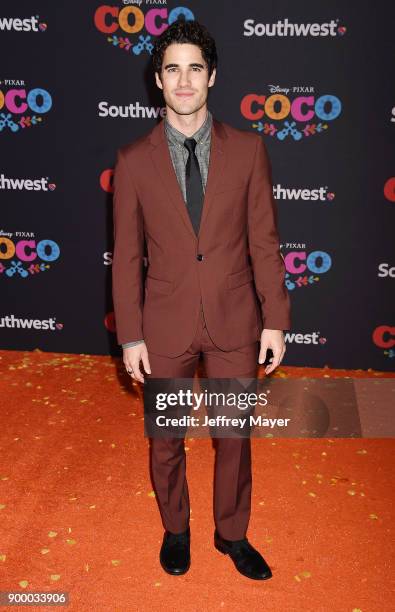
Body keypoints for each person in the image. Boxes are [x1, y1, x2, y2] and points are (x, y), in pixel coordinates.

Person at [112, 19, 291, 580]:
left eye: (194, 68)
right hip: (164, 324)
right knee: (165, 440)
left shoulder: (249, 150)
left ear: (212, 76)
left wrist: (276, 320)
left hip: (236, 319)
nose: (184, 80)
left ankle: (231, 534)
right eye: (172, 69)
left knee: (234, 437)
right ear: (158, 82)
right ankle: (176, 529)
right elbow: (125, 255)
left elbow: (264, 241)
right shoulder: (133, 159)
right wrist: (131, 334)